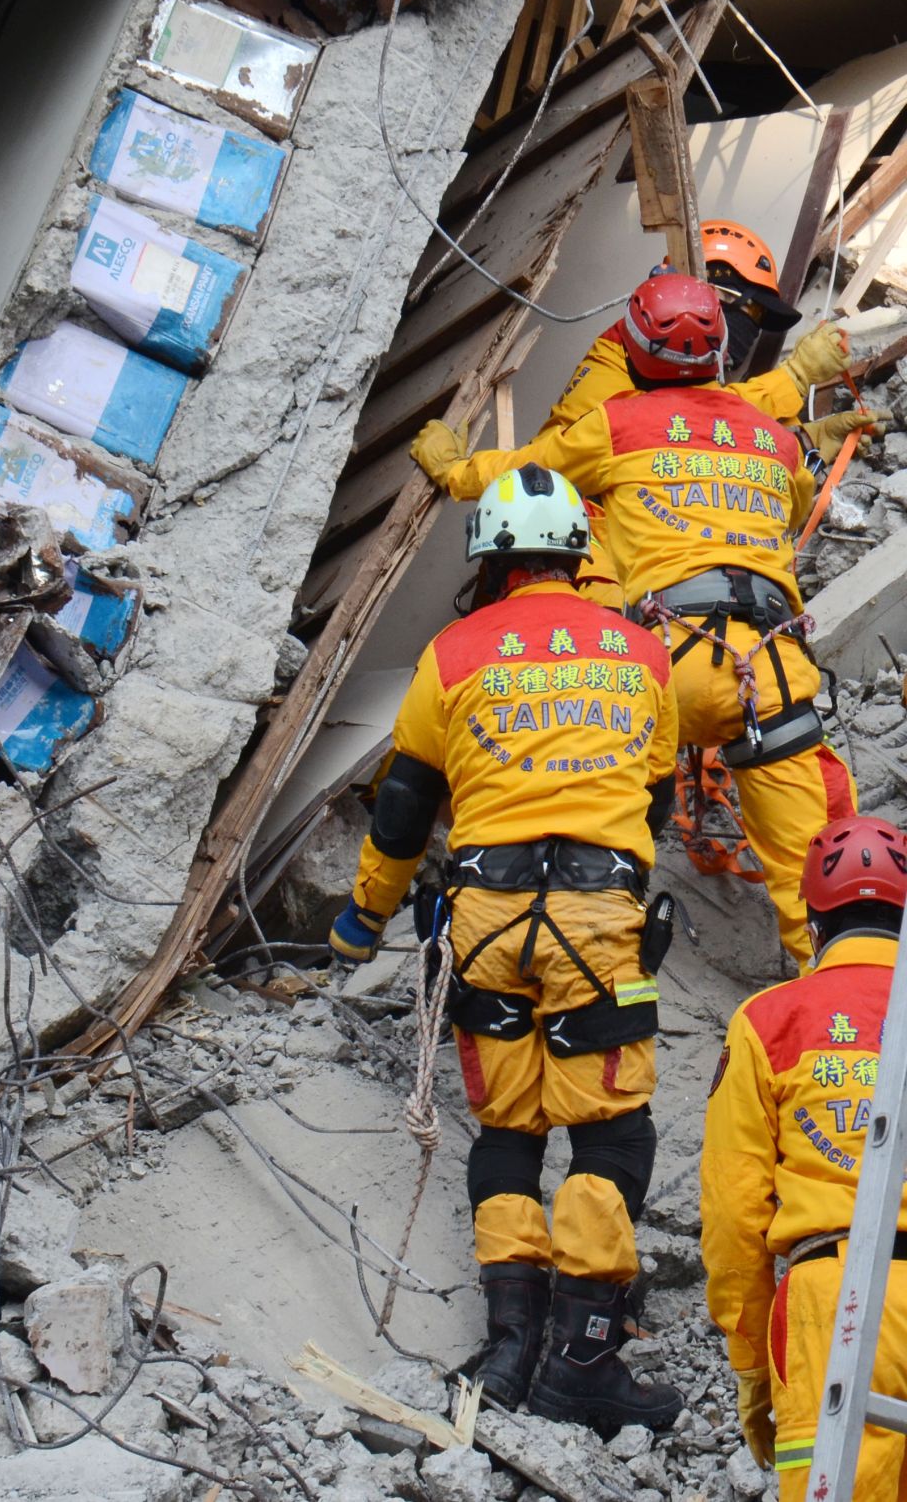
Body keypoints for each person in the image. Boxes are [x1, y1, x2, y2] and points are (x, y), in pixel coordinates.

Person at [330, 463, 683, 1429]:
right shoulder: (639, 652)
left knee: (510, 1131)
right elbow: (654, 792)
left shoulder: (454, 651)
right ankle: (583, 1358)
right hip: (593, 922)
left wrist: (364, 914)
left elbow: (406, 803)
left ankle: (512, 1345)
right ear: (579, 554)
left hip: (483, 921)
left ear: (490, 559)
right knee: (609, 1130)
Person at [409, 273, 858, 974]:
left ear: (634, 347)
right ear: (719, 355)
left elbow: (528, 476)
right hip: (769, 674)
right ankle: (846, 1020)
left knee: (592, 816)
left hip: (663, 668)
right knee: (819, 889)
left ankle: (565, 939)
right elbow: (793, 500)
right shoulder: (770, 435)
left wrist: (453, 469)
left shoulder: (615, 426)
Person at [413, 220, 880, 609]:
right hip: (594, 575)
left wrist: (802, 444)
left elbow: (709, 426)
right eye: (749, 310)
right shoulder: (619, 362)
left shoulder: (675, 369)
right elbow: (559, 460)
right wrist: (794, 378)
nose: (749, 330)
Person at [701, 814, 907, 1498]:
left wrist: (754, 1368)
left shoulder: (769, 1021)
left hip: (835, 1305)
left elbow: (734, 1213)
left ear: (814, 927)